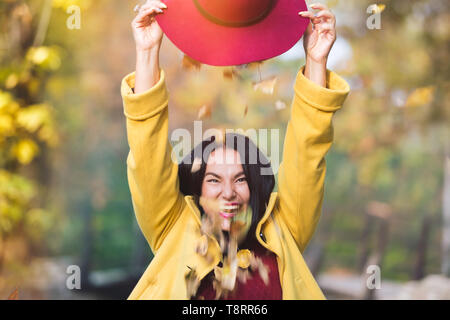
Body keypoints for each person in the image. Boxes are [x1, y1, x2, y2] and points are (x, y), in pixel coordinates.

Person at [121, 0, 350, 299]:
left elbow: (308, 153)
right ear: (197, 190)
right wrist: (148, 51)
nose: (228, 193)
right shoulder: (173, 226)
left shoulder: (284, 230)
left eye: (240, 179)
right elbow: (147, 152)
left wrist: (316, 61)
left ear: (254, 185)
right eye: (214, 180)